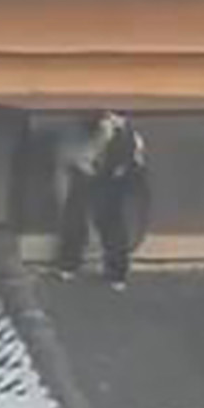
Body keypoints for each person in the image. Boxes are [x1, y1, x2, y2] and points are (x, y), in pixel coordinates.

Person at [54, 111, 148, 284]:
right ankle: (69, 264)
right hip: (88, 174)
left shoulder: (127, 134)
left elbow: (134, 161)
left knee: (112, 226)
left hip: (111, 180)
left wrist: (121, 170)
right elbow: (75, 155)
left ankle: (115, 272)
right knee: (75, 220)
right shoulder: (84, 130)